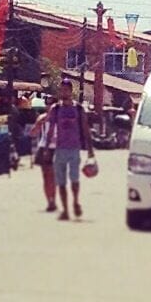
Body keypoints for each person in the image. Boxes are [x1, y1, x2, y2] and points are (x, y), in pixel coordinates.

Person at [42, 78, 91, 221]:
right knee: (61, 182)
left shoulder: (78, 109)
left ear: (71, 91)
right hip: (59, 149)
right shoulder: (55, 109)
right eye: (62, 89)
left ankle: (75, 201)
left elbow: (85, 129)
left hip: (74, 149)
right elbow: (50, 130)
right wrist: (46, 149)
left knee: (74, 180)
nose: (64, 92)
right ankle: (65, 210)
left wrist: (90, 149)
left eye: (66, 89)